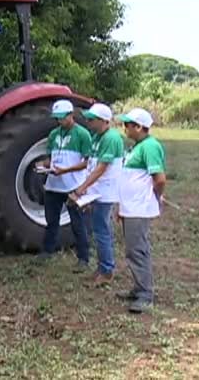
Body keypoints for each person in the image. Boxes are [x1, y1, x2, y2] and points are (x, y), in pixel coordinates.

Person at [115, 108, 166, 313]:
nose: (124, 127)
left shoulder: (150, 147)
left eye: (127, 124)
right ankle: (139, 288)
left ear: (138, 127)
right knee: (132, 249)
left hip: (139, 208)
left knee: (138, 249)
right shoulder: (137, 146)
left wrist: (155, 197)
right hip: (131, 207)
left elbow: (160, 179)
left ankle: (145, 294)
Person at [70, 103, 124, 286]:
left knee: (102, 232)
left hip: (105, 193)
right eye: (88, 119)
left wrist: (82, 187)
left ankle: (106, 271)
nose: (88, 122)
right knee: (99, 230)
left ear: (104, 121)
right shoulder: (96, 136)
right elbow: (91, 164)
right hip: (96, 192)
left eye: (92, 120)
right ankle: (102, 268)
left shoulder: (110, 138)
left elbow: (101, 168)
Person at [36, 100, 93, 272]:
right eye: (57, 118)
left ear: (71, 115)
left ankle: (83, 257)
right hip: (54, 184)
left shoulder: (83, 134)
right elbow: (50, 158)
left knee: (77, 223)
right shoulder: (54, 134)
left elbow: (87, 162)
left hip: (73, 185)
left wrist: (67, 170)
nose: (59, 121)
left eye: (62, 118)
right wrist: (44, 165)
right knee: (51, 220)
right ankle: (48, 250)